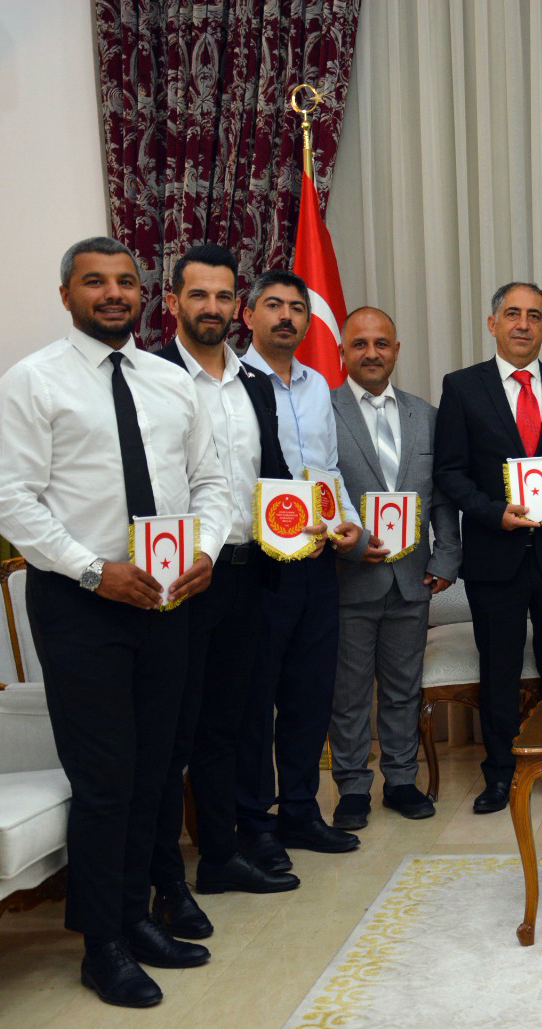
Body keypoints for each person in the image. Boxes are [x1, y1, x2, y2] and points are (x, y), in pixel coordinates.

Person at [0, 236, 232, 1007]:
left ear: (142, 293)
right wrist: (94, 569)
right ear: (67, 295)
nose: (114, 293)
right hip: (81, 604)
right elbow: (7, 499)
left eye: (126, 281)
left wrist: (207, 550)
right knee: (105, 779)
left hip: (166, 597)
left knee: (156, 769)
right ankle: (103, 947)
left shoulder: (169, 382)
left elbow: (211, 480)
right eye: (96, 282)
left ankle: (138, 916)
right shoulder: (31, 383)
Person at [151, 244, 300, 942]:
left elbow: (272, 474)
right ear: (172, 302)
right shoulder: (150, 379)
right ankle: (165, 882)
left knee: (227, 727)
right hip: (181, 578)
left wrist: (306, 519)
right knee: (173, 736)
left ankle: (219, 857)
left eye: (222, 296)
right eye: (197, 295)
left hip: (246, 572)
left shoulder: (255, 383)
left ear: (237, 305)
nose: (211, 308)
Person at [432, 282, 542, 814]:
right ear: (493, 323)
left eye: (533, 316)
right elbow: (450, 472)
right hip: (494, 555)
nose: (523, 324)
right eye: (512, 314)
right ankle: (502, 774)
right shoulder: (462, 387)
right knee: (498, 672)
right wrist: (491, 512)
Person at [238, 271, 364, 870]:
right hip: (257, 566)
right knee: (255, 698)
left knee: (309, 695)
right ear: (248, 316)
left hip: (317, 561)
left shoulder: (319, 387)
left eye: (296, 308)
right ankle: (253, 820)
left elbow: (328, 470)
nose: (286, 316)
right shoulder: (231, 383)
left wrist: (348, 522)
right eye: (274, 305)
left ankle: (300, 810)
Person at [328, 306, 461, 829]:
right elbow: (316, 491)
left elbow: (443, 496)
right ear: (342, 351)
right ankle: (352, 787)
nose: (371, 353)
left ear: (397, 350)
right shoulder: (323, 413)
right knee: (349, 693)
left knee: (404, 689)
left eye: (381, 343)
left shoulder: (425, 415)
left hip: (412, 579)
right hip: (349, 578)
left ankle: (401, 781)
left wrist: (446, 557)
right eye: (359, 344)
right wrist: (349, 545)